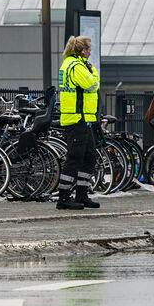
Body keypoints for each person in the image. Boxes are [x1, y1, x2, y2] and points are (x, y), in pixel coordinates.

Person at [56, 35, 101, 210]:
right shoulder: (76, 66)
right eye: (88, 49)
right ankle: (64, 197)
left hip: (82, 118)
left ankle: (82, 194)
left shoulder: (71, 64)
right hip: (76, 118)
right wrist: (93, 72)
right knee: (75, 158)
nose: (90, 52)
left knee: (89, 157)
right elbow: (92, 85)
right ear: (82, 51)